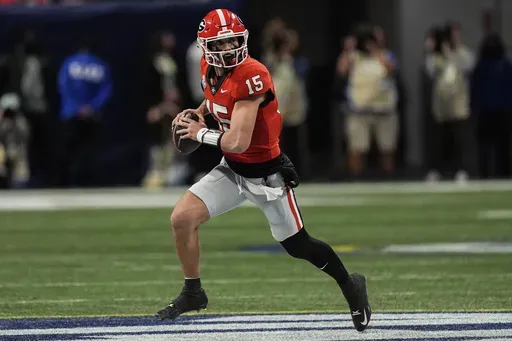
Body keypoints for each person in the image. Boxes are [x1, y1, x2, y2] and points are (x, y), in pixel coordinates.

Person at [155, 9, 371, 332]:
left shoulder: (252, 74)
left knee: (300, 245)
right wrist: (199, 112)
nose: (228, 49)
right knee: (182, 219)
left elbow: (238, 141)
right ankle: (193, 291)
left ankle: (350, 284)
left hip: (266, 174)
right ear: (206, 48)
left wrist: (198, 133)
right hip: (233, 170)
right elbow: (215, 100)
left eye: (232, 42)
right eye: (220, 43)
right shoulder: (207, 68)